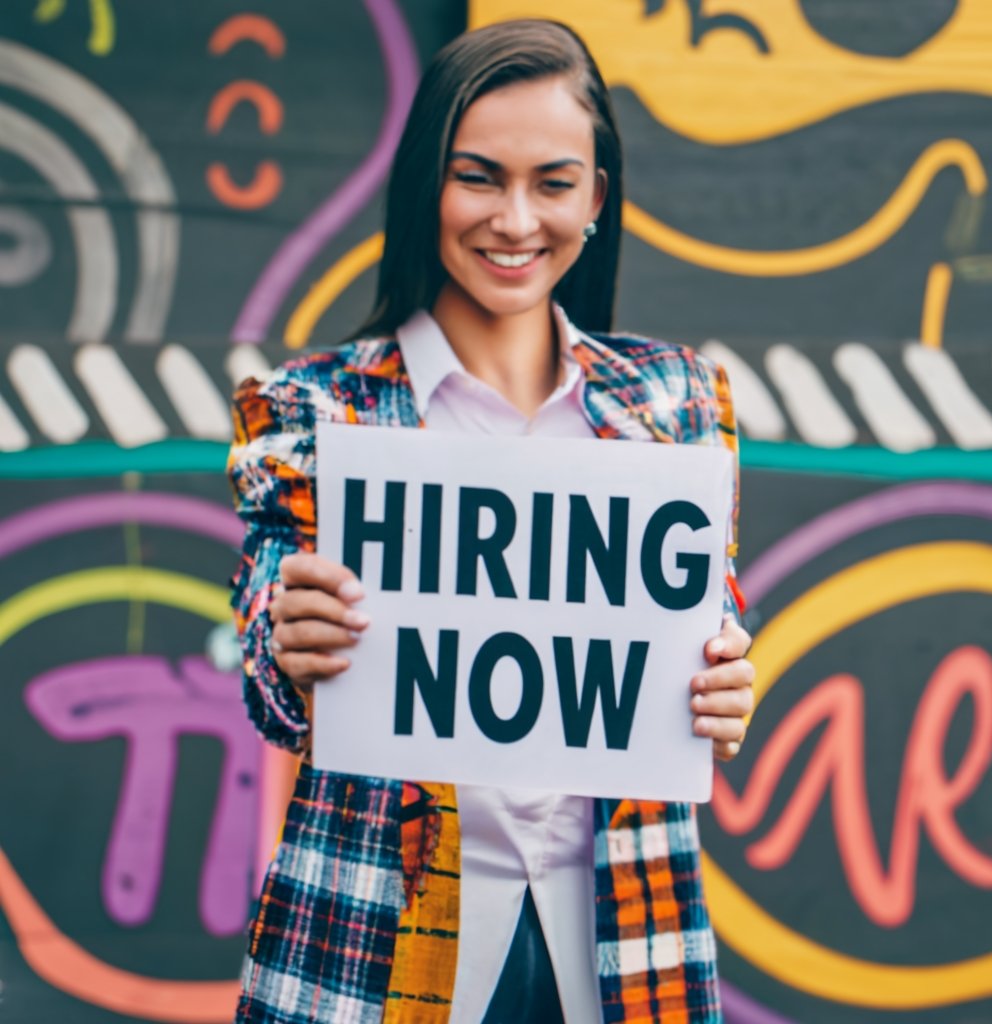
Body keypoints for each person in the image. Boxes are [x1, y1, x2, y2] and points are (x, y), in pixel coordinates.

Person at [228, 19, 754, 1024]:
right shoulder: (312, 409)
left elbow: (708, 629)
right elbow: (267, 657)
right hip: (370, 943)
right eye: (479, 177)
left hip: (621, 945)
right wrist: (288, 645)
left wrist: (727, 679)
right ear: (426, 184)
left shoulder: (675, 401)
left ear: (595, 198)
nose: (515, 220)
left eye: (553, 183)